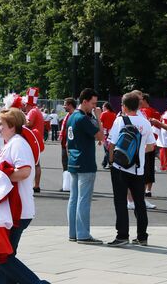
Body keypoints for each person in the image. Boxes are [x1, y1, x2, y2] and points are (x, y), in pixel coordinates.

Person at [0, 108, 48, 284]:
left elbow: (24, 171)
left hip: (16, 211)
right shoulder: (12, 143)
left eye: (1, 124)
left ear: (12, 125)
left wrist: (1, 175)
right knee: (3, 257)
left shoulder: (17, 143)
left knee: (2, 257)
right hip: (12, 210)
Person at [106, 92, 156, 247]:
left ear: (125, 106)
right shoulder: (145, 122)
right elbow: (151, 146)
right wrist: (137, 152)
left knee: (120, 201)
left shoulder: (120, 121)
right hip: (138, 169)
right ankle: (142, 236)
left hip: (120, 167)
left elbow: (112, 144)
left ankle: (122, 236)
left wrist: (112, 160)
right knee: (139, 202)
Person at [66, 88, 104, 244]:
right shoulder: (82, 118)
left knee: (74, 198)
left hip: (74, 161)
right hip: (85, 162)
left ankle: (73, 232)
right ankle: (83, 234)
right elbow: (100, 136)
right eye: (93, 103)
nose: (94, 107)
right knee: (83, 199)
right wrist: (99, 118)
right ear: (85, 101)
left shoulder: (71, 117)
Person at [140, 94, 161, 198]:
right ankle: (148, 190)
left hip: (145, 143)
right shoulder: (155, 111)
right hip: (153, 142)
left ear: (144, 100)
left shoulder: (144, 111)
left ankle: (143, 191)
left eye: (140, 99)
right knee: (150, 167)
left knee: (144, 167)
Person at [24, 87, 44, 193]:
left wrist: (21, 120)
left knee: (34, 164)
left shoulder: (32, 111)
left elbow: (29, 123)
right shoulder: (37, 111)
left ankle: (35, 185)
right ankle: (36, 185)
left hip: (32, 140)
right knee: (37, 163)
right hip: (37, 139)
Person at [59, 98, 77, 191]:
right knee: (65, 164)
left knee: (71, 165)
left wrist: (69, 142)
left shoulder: (75, 116)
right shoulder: (68, 115)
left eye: (65, 104)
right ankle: (66, 185)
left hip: (71, 145)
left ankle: (71, 185)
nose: (64, 106)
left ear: (70, 105)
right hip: (65, 144)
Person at [99, 102, 117, 169]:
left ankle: (105, 163)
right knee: (110, 148)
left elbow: (100, 123)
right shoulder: (114, 114)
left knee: (107, 149)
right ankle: (109, 163)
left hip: (105, 133)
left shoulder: (104, 114)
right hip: (112, 133)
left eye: (103, 107)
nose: (102, 108)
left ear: (106, 107)